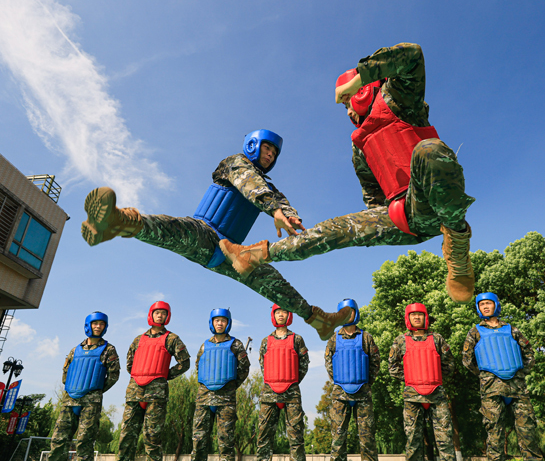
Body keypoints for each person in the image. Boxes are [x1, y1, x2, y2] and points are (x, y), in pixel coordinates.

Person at [219, 44, 476, 304]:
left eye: (347, 103)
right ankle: (255, 255)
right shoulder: (360, 147)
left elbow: (413, 55)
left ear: (362, 90)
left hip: (436, 201)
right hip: (403, 217)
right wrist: (366, 227)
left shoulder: (400, 98)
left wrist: (360, 76)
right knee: (332, 229)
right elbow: (374, 200)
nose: (349, 112)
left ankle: (457, 247)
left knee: (429, 150)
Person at [80, 129, 352, 340]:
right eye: (266, 148)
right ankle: (118, 221)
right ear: (253, 145)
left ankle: (319, 320)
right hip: (206, 232)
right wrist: (272, 207)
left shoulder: (270, 189)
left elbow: (279, 201)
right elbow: (251, 184)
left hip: (232, 253)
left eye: (274, 153)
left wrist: (290, 215)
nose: (270, 155)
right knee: (174, 230)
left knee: (273, 282)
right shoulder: (235, 163)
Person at [462, 293, 545, 461]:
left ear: (496, 305)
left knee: (528, 434)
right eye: (482, 304)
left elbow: (529, 354)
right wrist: (485, 375)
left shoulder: (513, 329)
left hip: (517, 388)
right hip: (491, 389)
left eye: (488, 303)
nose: (485, 307)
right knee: (494, 437)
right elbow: (467, 361)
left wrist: (520, 373)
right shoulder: (474, 332)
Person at [100, 301, 189, 461]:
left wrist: (165, 374)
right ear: (151, 314)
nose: (160, 316)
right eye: (157, 313)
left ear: (168, 317)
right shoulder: (138, 339)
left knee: (152, 440)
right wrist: (140, 375)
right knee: (125, 439)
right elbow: (130, 362)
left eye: (163, 314)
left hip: (156, 394)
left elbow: (185, 363)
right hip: (134, 392)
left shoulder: (172, 339)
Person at [27, 312, 120, 461]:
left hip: (91, 401)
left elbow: (113, 375)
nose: (98, 327)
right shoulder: (74, 350)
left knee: (85, 442)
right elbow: (65, 372)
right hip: (69, 400)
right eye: (95, 323)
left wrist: (95, 389)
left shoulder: (108, 349)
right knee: (58, 441)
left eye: (102, 324)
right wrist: (71, 390)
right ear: (88, 325)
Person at [388, 303, 466, 461]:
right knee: (413, 441)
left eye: (420, 315)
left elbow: (449, 364)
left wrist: (435, 378)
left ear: (426, 317)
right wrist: (410, 379)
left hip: (437, 394)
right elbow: (393, 367)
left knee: (445, 440)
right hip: (412, 396)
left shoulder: (437, 338)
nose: (416, 318)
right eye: (413, 315)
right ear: (408, 318)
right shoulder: (401, 341)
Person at [322, 299, 390, 461]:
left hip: (363, 394)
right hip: (340, 394)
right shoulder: (333, 339)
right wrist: (341, 381)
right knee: (338, 441)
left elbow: (375, 363)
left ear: (356, 313)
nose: (348, 315)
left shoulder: (366, 337)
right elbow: (329, 365)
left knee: (367, 440)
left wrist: (365, 382)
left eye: (351, 311)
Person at [242, 304, 312, 461]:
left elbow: (304, 366)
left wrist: (290, 381)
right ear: (273, 315)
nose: (280, 315)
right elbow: (263, 365)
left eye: (284, 312)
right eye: (277, 312)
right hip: (268, 394)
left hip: (291, 393)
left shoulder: (297, 339)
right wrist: (275, 381)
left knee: (296, 439)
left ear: (289, 315)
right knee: (263, 439)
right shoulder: (266, 341)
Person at [178, 308, 249, 461]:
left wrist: (230, 385)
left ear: (228, 323)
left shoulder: (236, 344)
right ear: (211, 322)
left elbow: (244, 369)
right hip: (203, 399)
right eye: (216, 320)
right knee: (198, 443)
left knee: (225, 444)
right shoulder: (204, 345)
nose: (220, 324)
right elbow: (199, 366)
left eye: (223, 321)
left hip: (226, 400)